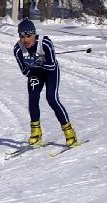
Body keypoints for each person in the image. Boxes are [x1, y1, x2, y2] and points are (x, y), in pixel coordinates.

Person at [12, 19, 78, 147]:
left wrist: (38, 62)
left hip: (50, 73)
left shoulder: (45, 42)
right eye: (22, 36)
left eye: (28, 36)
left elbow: (52, 65)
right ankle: (36, 132)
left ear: (34, 35)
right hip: (35, 73)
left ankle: (69, 132)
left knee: (51, 99)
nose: (25, 40)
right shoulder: (18, 49)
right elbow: (25, 72)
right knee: (33, 97)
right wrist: (32, 65)